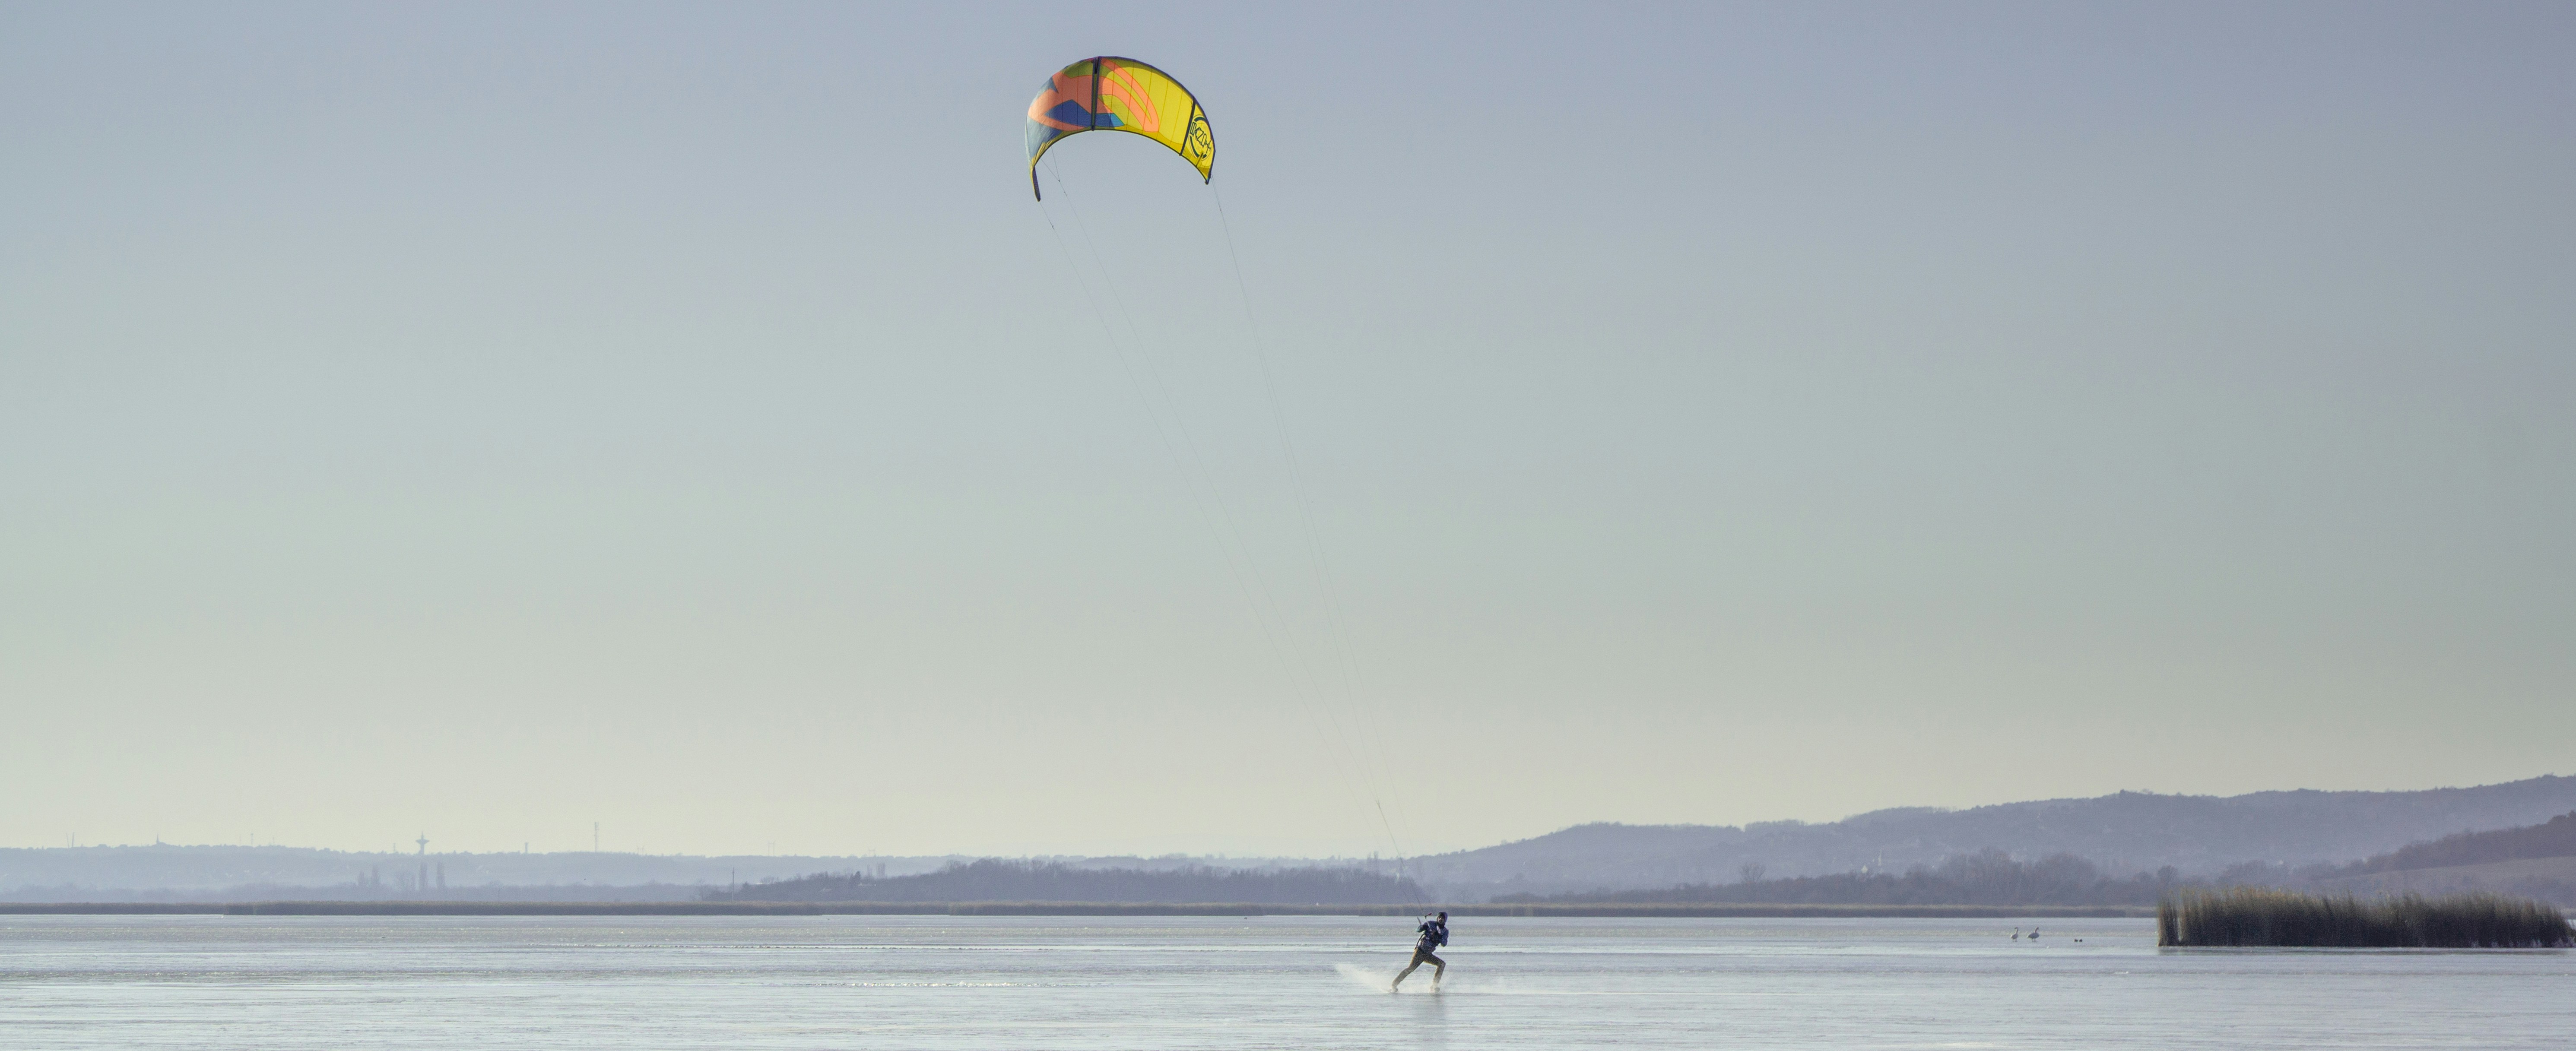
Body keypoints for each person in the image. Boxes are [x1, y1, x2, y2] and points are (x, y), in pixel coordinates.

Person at [1391, 911, 1448, 991]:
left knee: (1442, 964)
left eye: (1443, 918)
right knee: (1411, 968)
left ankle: (1434, 986)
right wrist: (1422, 928)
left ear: (1445, 920)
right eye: (1440, 918)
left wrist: (1439, 937)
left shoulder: (1445, 932)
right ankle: (1394, 985)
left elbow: (1444, 944)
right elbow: (1417, 930)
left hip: (1428, 954)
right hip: (1420, 952)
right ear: (1437, 918)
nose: (1441, 919)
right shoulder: (1431, 924)